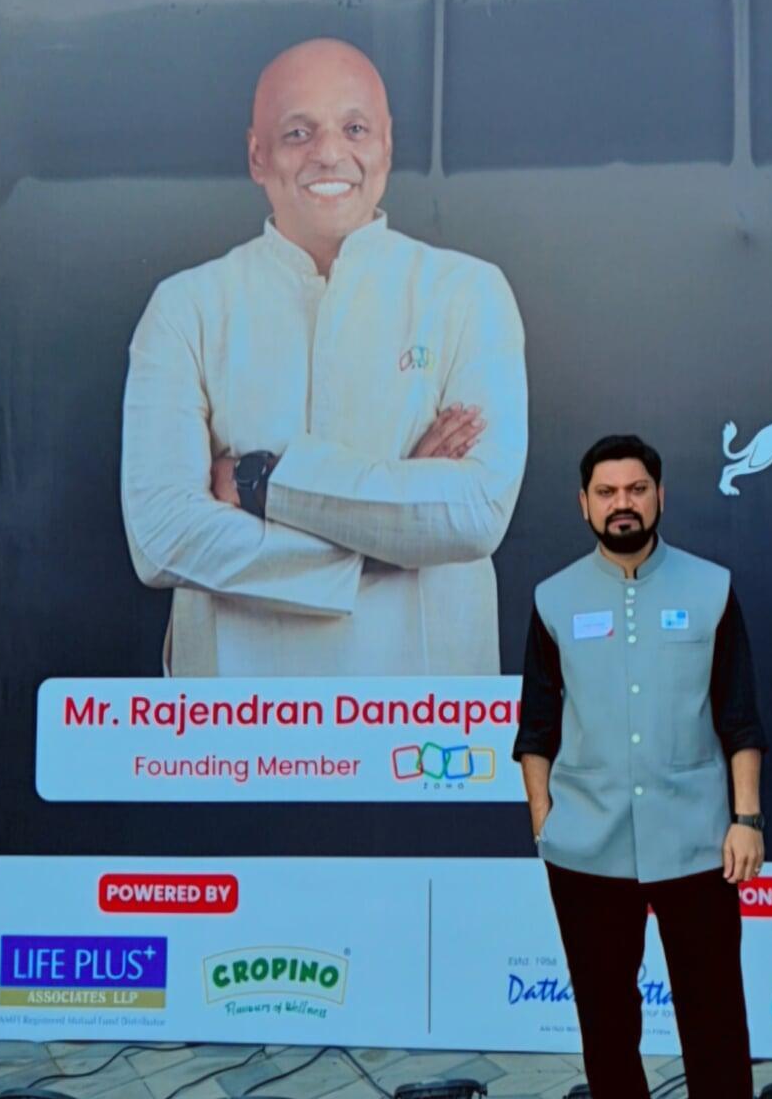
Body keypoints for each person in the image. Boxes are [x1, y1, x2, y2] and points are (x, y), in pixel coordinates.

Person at [119, 38, 526, 676]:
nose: (330, 153)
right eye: (298, 133)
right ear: (258, 155)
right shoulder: (186, 308)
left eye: (354, 128)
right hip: (238, 722)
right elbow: (162, 535)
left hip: (425, 722)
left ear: (387, 145)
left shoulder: (468, 293)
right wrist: (390, 541)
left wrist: (259, 484)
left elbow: (473, 514)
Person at [513, 434, 772, 1099]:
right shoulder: (554, 600)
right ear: (584, 504)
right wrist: (545, 820)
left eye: (636, 488)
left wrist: (746, 818)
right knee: (607, 1024)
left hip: (699, 843)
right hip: (587, 850)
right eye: (606, 491)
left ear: (659, 496)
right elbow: (535, 726)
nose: (622, 503)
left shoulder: (710, 591)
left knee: (715, 1024)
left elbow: (740, 716)